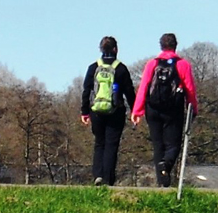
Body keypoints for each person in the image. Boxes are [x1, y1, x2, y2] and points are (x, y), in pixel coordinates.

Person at [132, 33, 198, 187]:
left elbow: (143, 87)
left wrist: (137, 111)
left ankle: (162, 182)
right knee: (173, 144)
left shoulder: (152, 64)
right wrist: (193, 108)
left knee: (157, 145)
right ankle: (166, 165)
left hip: (152, 108)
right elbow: (190, 89)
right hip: (173, 109)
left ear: (160, 46)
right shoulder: (183, 65)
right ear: (176, 46)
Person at [80, 36, 135, 186]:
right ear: (116, 49)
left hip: (96, 111)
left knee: (99, 143)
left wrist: (85, 112)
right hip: (115, 111)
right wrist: (135, 110)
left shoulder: (93, 67)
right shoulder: (121, 68)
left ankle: (97, 175)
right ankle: (107, 178)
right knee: (111, 144)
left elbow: (86, 91)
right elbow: (129, 91)